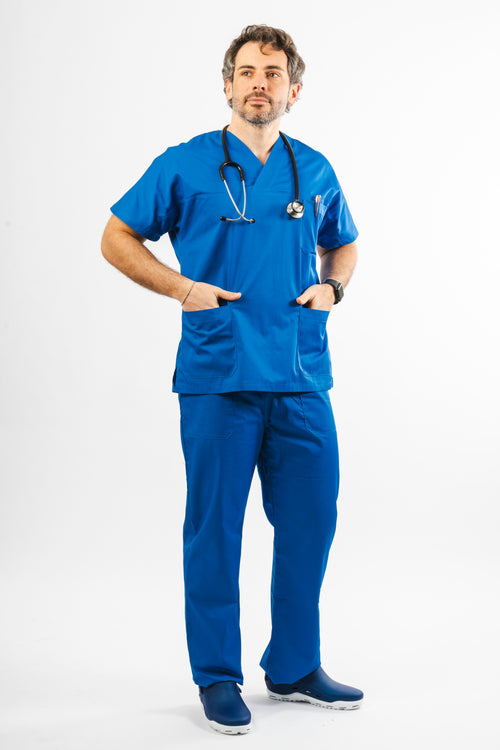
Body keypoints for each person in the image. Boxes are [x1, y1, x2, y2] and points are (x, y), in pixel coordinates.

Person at [101, 24, 363, 735]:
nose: (259, 84)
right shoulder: (185, 164)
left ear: (293, 90)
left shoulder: (315, 169)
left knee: (312, 521)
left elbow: (344, 242)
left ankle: (295, 665)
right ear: (226, 84)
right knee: (214, 529)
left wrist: (333, 289)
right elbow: (117, 236)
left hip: (301, 375)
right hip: (219, 375)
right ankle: (218, 675)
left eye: (273, 74)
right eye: (246, 72)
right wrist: (182, 288)